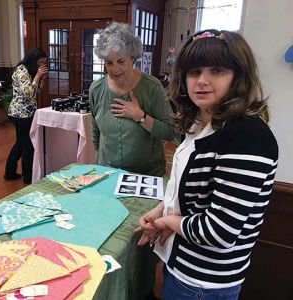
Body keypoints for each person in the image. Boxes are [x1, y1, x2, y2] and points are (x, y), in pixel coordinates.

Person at [136, 29, 279, 300]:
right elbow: (192, 193)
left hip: (204, 282)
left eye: (216, 70)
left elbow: (219, 231)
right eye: (194, 71)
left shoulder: (247, 136)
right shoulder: (200, 124)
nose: (202, 81)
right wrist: (161, 209)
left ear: (238, 76)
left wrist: (168, 220)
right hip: (182, 265)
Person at [89, 22, 175, 177]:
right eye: (109, 62)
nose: (115, 69)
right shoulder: (96, 89)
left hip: (146, 176)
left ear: (132, 58)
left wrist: (140, 116)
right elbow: (96, 131)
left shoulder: (152, 87)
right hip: (108, 175)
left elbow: (170, 132)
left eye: (121, 61)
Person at [4, 48, 48, 184]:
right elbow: (28, 93)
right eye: (40, 62)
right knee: (27, 145)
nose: (42, 65)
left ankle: (10, 172)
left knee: (20, 143)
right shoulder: (21, 70)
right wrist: (37, 77)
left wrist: (41, 80)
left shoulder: (31, 70)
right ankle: (28, 178)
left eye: (44, 63)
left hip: (27, 112)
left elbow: (36, 91)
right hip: (20, 112)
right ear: (33, 60)